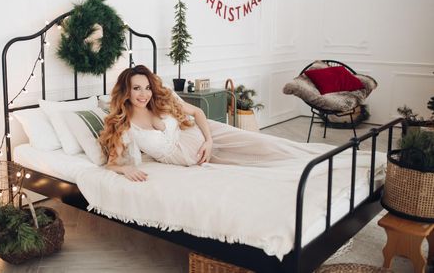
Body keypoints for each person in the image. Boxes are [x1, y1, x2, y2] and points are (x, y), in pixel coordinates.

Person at [98, 65, 362, 182]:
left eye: (146, 87)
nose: (143, 93)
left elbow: (199, 114)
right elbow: (112, 162)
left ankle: (334, 159)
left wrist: (210, 141)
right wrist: (124, 170)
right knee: (261, 165)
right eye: (136, 88)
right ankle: (325, 169)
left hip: (208, 137)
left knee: (265, 144)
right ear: (127, 91)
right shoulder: (124, 125)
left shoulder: (160, 101)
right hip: (195, 158)